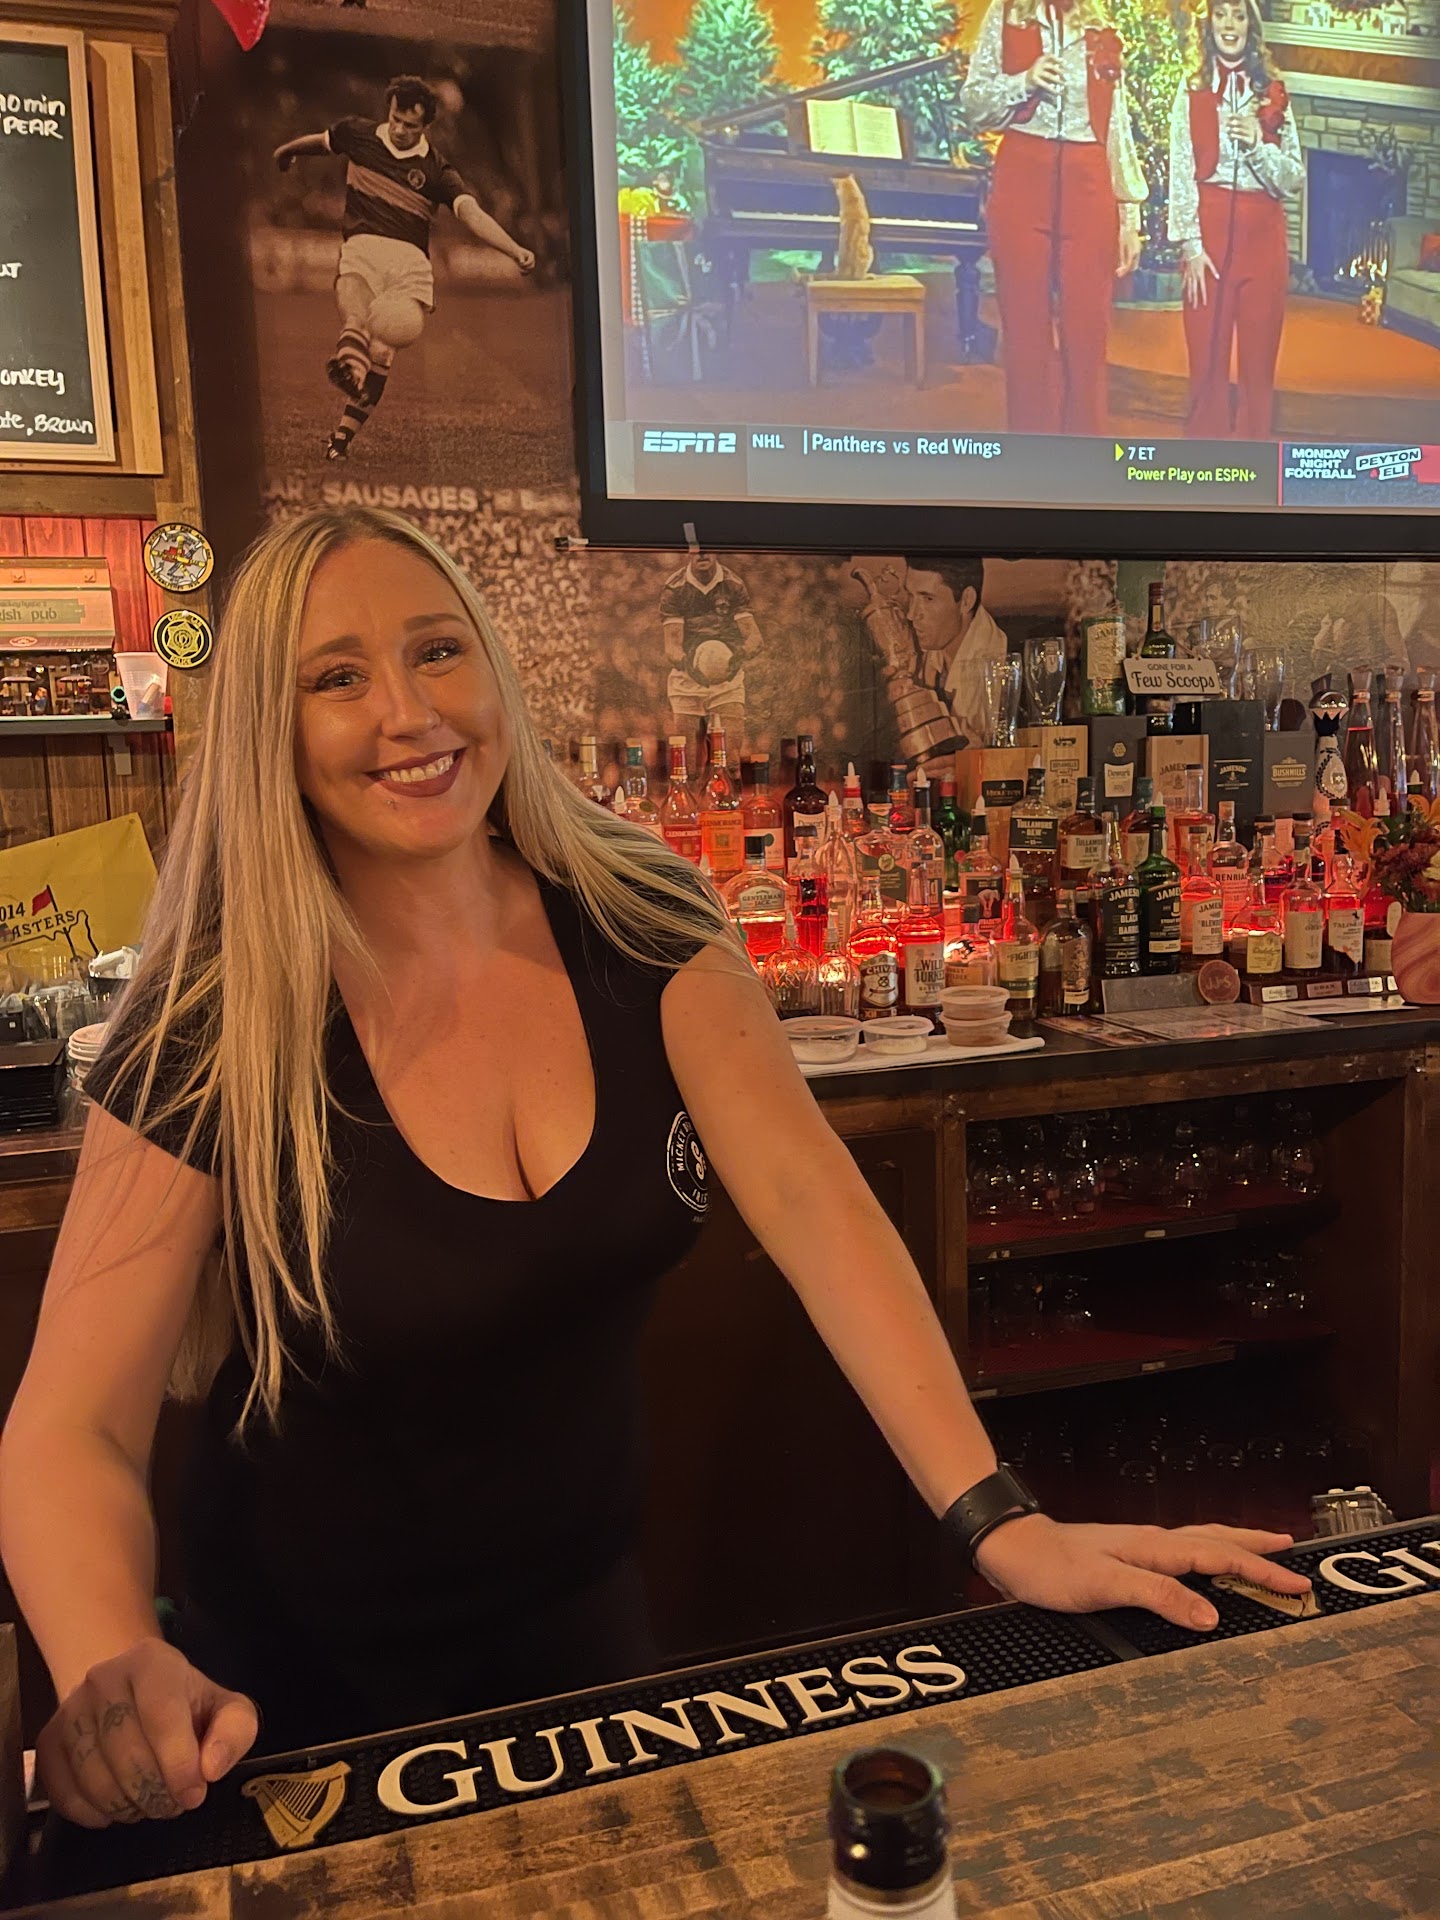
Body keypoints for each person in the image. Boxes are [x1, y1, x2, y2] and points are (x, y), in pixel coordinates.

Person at [0, 508, 1310, 1830]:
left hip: (588, 1655)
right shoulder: (216, 1020)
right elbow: (70, 1427)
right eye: (337, 677)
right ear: (268, 732)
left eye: (438, 650)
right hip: (285, 1721)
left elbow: (810, 1202)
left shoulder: (639, 920)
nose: (409, 713)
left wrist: (1000, 1523)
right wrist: (114, 1666)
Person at [272, 75, 536, 461]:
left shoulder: (437, 170)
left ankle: (341, 434)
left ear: (425, 125)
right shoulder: (358, 134)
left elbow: (471, 214)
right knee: (355, 309)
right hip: (362, 248)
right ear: (390, 110)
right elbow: (323, 142)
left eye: (410, 125)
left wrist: (513, 249)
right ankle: (350, 378)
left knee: (382, 352)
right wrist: (286, 151)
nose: (399, 129)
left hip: (408, 263)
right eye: (395, 119)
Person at [961, 0, 1147, 435]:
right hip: (1023, 175)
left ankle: (1082, 454)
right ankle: (1032, 453)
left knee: (1088, 330)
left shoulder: (1101, 29)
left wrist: (1129, 214)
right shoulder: (1008, 14)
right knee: (1025, 330)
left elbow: (1116, 126)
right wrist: (1023, 81)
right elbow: (974, 105)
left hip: (1088, 180)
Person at [1168, 0, 1304, 439]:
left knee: (1258, 370)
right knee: (1205, 364)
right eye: (1221, 14)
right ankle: (1204, 463)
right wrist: (1191, 246)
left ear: (1251, 25)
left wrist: (1257, 146)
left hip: (1262, 238)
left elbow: (1294, 177)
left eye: (1239, 15)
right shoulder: (1192, 89)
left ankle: (1250, 465)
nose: (1230, 25)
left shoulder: (1274, 92)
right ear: (1209, 23)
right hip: (1208, 238)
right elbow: (1180, 171)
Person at [660, 551, 762, 757]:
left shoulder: (733, 585)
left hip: (727, 680)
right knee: (687, 762)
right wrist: (689, 665)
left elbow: (755, 639)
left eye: (707, 547)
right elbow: (672, 647)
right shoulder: (675, 587)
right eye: (696, 549)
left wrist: (739, 656)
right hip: (687, 679)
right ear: (687, 552)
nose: (702, 554)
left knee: (731, 759)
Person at [905, 556, 1009, 750]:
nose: (911, 614)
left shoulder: (1004, 668)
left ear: (967, 601)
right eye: (910, 596)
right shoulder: (927, 658)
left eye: (928, 599)